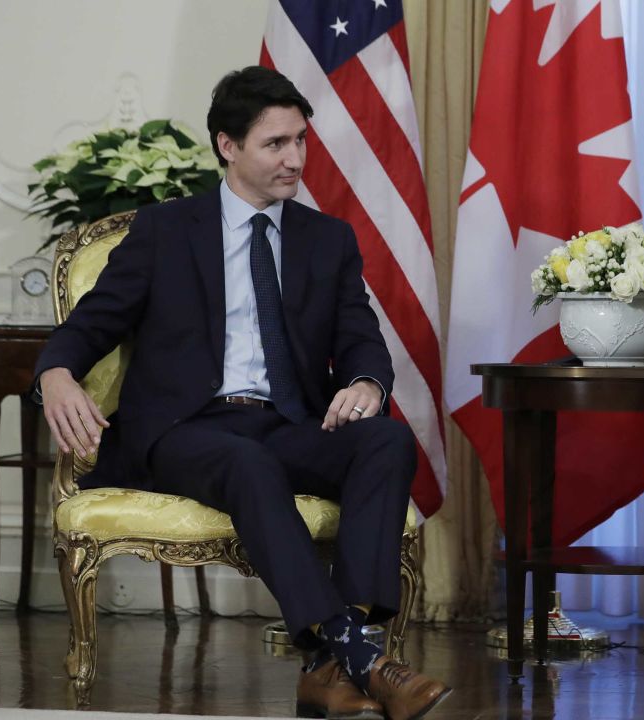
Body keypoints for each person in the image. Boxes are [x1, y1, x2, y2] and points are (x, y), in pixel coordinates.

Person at [36, 66, 450, 720]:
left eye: (301, 141)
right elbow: (90, 326)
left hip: (286, 420)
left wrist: (368, 382)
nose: (296, 159)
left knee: (388, 439)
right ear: (228, 146)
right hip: (185, 429)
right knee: (245, 463)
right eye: (276, 145)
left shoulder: (326, 239)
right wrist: (55, 374)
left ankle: (328, 659)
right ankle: (362, 656)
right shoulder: (165, 231)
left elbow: (361, 334)